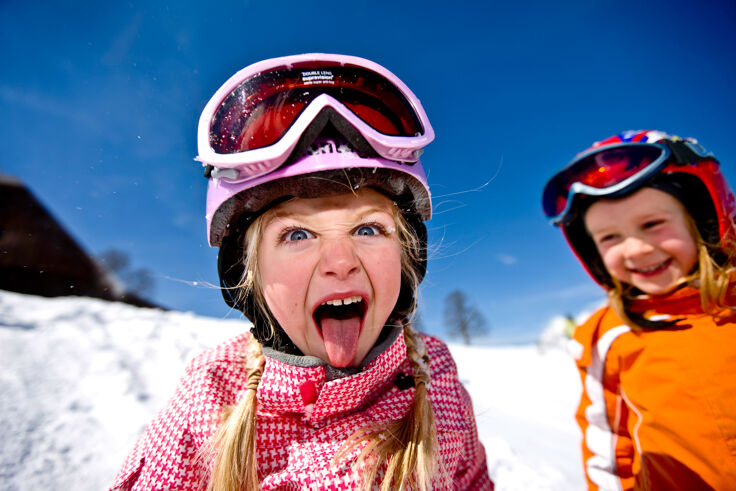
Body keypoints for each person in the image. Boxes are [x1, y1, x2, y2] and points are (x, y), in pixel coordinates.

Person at [111, 53, 492, 491]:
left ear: (409, 258)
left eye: (367, 228)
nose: (340, 262)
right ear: (248, 274)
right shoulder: (208, 402)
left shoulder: (437, 382)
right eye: (297, 235)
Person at [542, 129, 736, 490]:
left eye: (652, 224)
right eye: (609, 238)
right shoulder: (608, 335)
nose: (635, 249)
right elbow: (609, 450)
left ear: (703, 218)